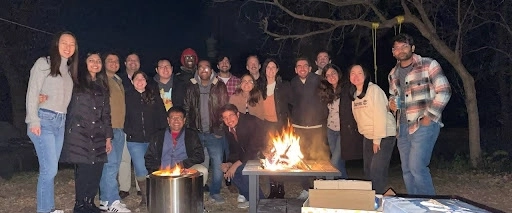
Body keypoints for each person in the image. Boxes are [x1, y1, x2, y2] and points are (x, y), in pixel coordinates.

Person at [388, 33, 451, 195]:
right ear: (393, 52)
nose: (401, 50)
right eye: (397, 48)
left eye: (405, 46)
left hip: (422, 124)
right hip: (401, 128)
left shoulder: (428, 64)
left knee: (417, 167)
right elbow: (393, 97)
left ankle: (429, 206)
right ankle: (415, 206)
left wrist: (429, 116)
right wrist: (392, 103)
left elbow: (444, 91)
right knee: (407, 170)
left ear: (412, 48)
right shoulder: (393, 74)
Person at [26, 31, 77, 213]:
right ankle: (44, 210)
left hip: (60, 123)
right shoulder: (44, 63)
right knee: (50, 170)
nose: (68, 47)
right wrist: (33, 120)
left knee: (49, 170)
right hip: (43, 120)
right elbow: (32, 91)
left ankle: (49, 208)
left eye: (72, 44)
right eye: (64, 42)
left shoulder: (69, 70)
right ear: (57, 44)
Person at [60, 52, 112, 213]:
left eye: (98, 61)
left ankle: (90, 202)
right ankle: (80, 204)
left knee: (97, 168)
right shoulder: (75, 81)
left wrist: (108, 137)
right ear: (84, 63)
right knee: (84, 170)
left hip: (98, 133)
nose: (95, 63)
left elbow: (106, 114)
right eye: (91, 60)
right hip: (79, 133)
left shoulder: (102, 85)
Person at [183, 60, 229, 204]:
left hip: (213, 133)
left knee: (217, 163)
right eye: (201, 67)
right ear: (197, 70)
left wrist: (219, 129)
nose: (204, 70)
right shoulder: (191, 86)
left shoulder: (219, 86)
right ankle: (198, 191)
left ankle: (215, 192)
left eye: (207, 67)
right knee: (199, 164)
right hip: (196, 132)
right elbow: (186, 108)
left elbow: (224, 109)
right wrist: (189, 131)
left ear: (211, 70)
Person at [349, 64, 396, 194]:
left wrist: (377, 139)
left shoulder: (374, 90)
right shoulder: (354, 95)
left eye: (359, 73)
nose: (356, 76)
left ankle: (378, 199)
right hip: (368, 135)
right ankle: (372, 198)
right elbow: (358, 117)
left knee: (377, 169)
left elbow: (380, 115)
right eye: (353, 73)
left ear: (365, 75)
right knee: (368, 170)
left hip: (384, 134)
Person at [124, 71, 167, 206]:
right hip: (134, 140)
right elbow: (122, 116)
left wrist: (161, 135)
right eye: (137, 78)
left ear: (146, 81)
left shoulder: (154, 95)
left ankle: (157, 196)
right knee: (141, 169)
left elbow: (162, 116)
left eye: (143, 78)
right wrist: (128, 130)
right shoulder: (127, 96)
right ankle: (145, 197)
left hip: (152, 139)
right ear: (132, 81)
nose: (140, 81)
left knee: (155, 168)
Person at [290, 57, 329, 199]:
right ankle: (306, 188)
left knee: (319, 158)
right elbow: (290, 102)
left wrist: (322, 116)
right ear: (295, 69)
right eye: (299, 66)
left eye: (305, 66)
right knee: (302, 159)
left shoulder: (319, 81)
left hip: (317, 126)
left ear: (310, 68)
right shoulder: (293, 83)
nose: (302, 68)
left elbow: (327, 98)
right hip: (299, 127)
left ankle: (320, 188)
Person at [98, 52, 131, 212]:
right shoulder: (101, 80)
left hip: (119, 128)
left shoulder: (118, 80)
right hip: (108, 128)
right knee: (110, 166)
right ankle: (113, 201)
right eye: (109, 60)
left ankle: (105, 200)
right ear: (104, 63)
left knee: (112, 165)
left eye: (116, 61)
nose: (113, 63)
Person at [145, 106, 208, 186]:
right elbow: (149, 157)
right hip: (163, 172)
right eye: (173, 118)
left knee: (203, 170)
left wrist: (183, 165)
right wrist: (158, 169)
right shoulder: (158, 136)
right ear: (168, 120)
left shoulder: (191, 135)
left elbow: (199, 156)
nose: (176, 121)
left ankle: (194, 194)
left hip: (185, 170)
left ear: (184, 120)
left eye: (179, 118)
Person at [220, 104, 266, 209]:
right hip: (248, 154)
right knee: (232, 173)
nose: (229, 120)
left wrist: (236, 164)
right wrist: (229, 163)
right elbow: (234, 149)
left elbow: (254, 147)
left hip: (264, 151)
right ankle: (252, 199)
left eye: (231, 115)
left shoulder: (250, 122)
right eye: (225, 118)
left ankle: (262, 204)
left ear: (238, 114)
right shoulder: (228, 128)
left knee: (244, 171)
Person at [259, 58, 291, 198]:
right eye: (268, 67)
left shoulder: (283, 86)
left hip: (280, 125)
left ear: (277, 70)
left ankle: (281, 187)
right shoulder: (259, 87)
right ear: (264, 70)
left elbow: (294, 103)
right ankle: (272, 187)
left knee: (281, 156)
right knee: (269, 158)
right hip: (266, 126)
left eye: (273, 67)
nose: (270, 70)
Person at [118, 52, 141, 198]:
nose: (133, 62)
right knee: (124, 158)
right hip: (124, 124)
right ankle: (124, 187)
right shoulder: (118, 80)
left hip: (140, 126)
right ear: (125, 63)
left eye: (136, 60)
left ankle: (141, 186)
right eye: (130, 60)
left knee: (140, 158)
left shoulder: (144, 79)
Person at [318, 64, 348, 179]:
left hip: (343, 131)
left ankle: (327, 186)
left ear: (338, 73)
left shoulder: (346, 89)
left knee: (334, 162)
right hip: (331, 130)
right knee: (340, 163)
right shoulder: (327, 92)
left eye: (333, 73)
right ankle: (344, 186)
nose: (331, 76)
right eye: (328, 75)